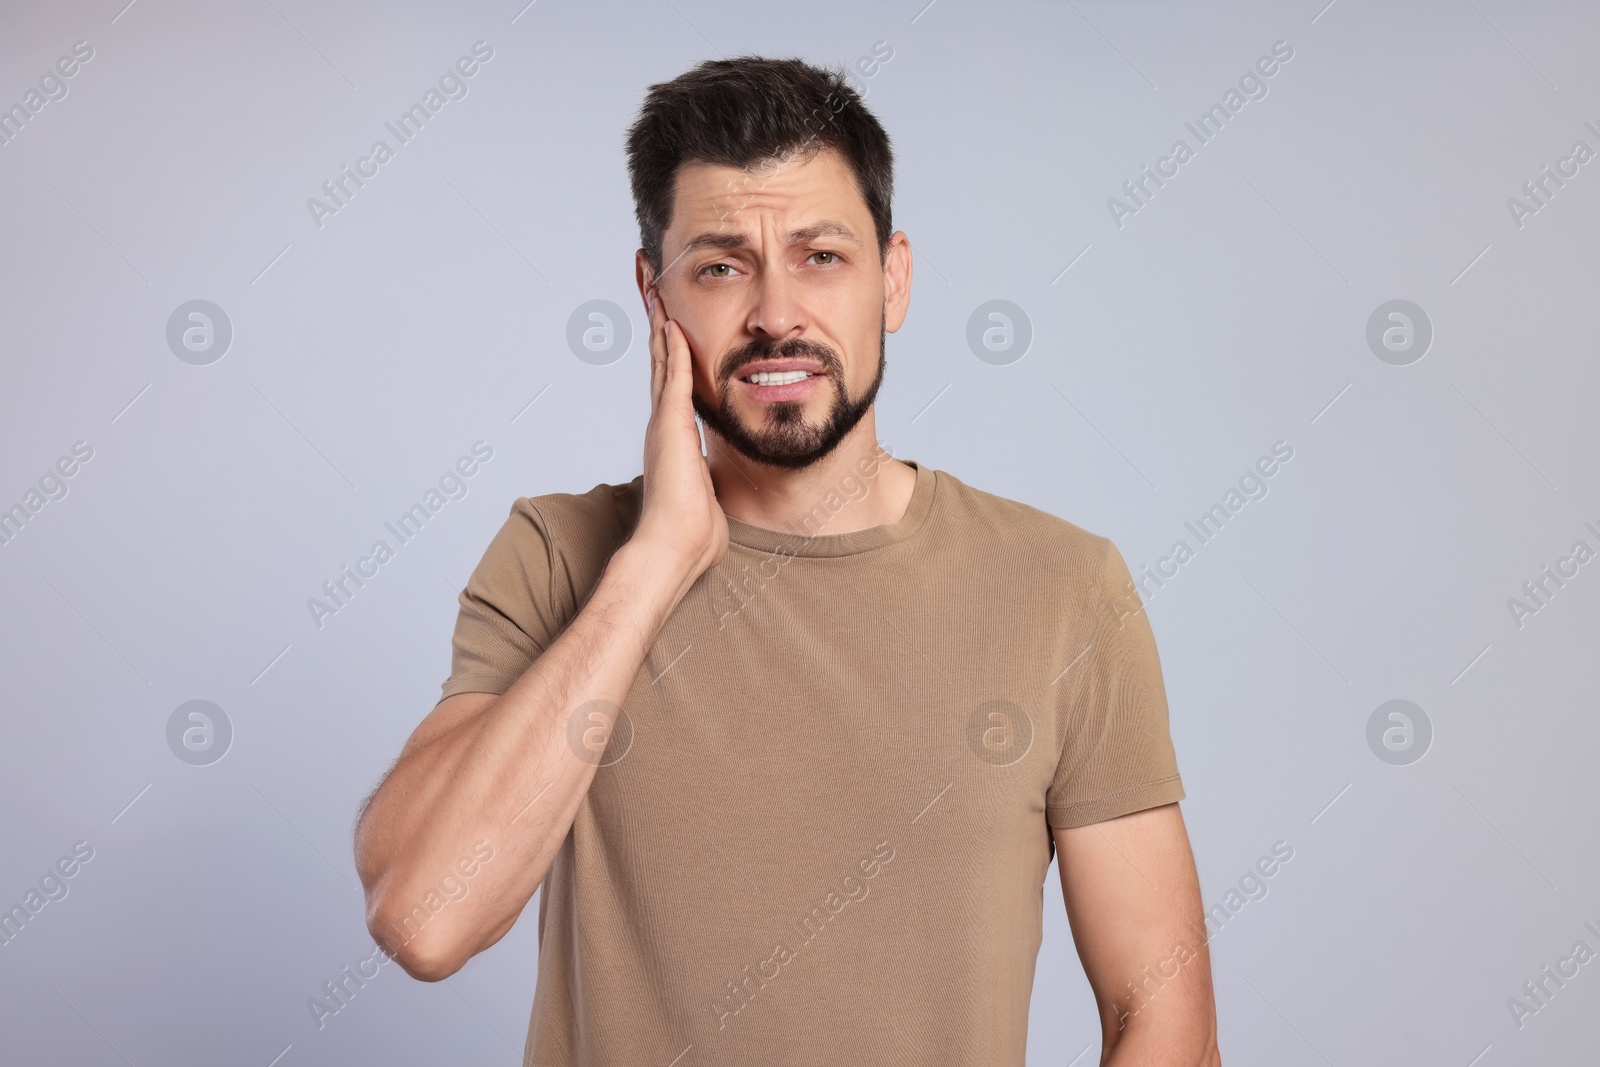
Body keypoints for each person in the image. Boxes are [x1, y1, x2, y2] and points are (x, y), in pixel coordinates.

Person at [354, 55, 1221, 1066]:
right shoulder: (558, 557)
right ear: (654, 293)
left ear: (892, 280)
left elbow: (1161, 1019)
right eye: (721, 264)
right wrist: (656, 561)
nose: (775, 312)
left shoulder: (1064, 589)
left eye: (820, 256)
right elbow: (423, 917)